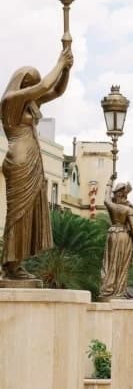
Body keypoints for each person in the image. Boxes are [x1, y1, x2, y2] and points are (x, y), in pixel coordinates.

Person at [1, 47, 73, 280]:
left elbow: (56, 90)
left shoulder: (29, 104)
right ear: (22, 83)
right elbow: (43, 88)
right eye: (31, 83)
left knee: (28, 212)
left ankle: (17, 263)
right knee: (17, 213)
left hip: (32, 159)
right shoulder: (10, 101)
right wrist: (60, 62)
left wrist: (67, 70)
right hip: (19, 159)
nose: (35, 87)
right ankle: (10, 265)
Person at [99, 177, 133, 301]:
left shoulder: (111, 206)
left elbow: (106, 198)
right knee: (121, 264)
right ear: (124, 195)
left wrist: (110, 182)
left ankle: (108, 288)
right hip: (123, 236)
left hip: (112, 234)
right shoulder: (128, 209)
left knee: (110, 263)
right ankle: (118, 292)